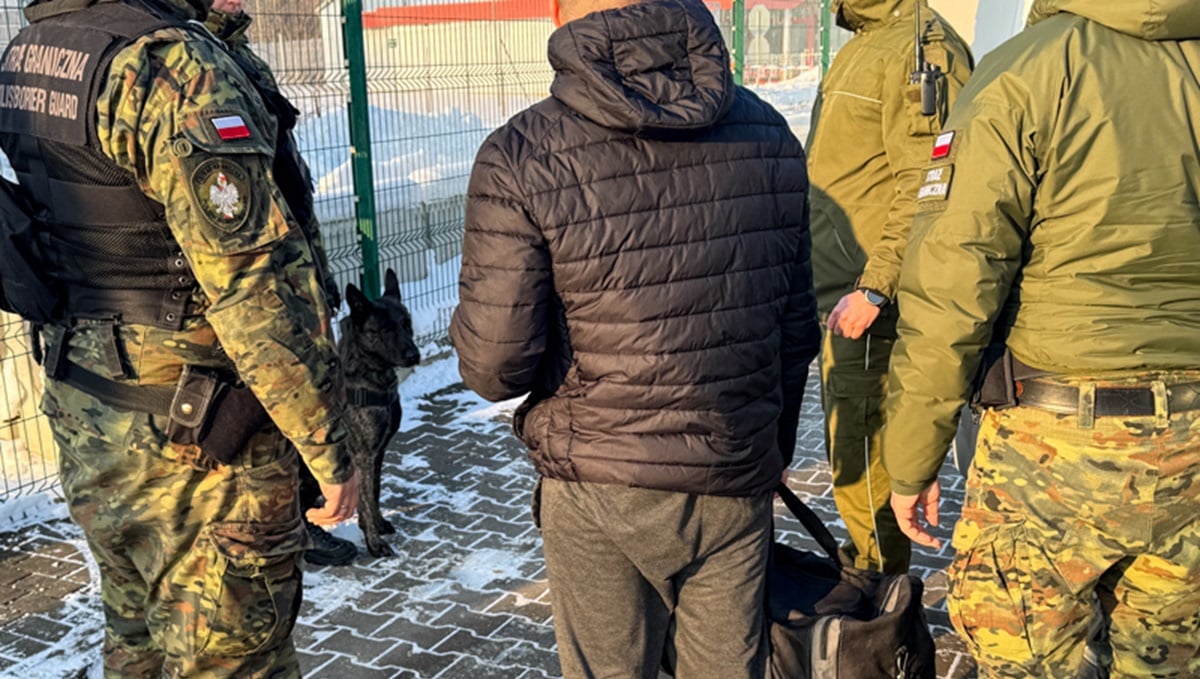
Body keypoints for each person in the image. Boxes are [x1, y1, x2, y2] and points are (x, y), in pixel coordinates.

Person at [449, 0, 819, 674]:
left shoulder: (521, 152)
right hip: (734, 469)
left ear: (564, 15)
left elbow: (495, 368)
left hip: (598, 478)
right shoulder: (770, 133)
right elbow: (795, 331)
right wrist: (772, 451)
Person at [0, 0, 360, 675]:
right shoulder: (169, 66)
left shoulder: (33, 50)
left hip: (92, 415)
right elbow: (252, 288)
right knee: (232, 661)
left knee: (136, 644)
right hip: (199, 445)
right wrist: (328, 448)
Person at [882, 1, 1200, 675]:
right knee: (1170, 663)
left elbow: (954, 281)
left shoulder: (1026, 72)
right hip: (1192, 444)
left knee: (1020, 659)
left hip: (1051, 449)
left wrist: (912, 459)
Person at [806, 0, 972, 574]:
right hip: (841, 291)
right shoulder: (869, 39)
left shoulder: (921, 48)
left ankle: (883, 600)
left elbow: (931, 179)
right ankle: (874, 581)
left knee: (866, 461)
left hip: (871, 302)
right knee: (851, 457)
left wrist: (876, 286)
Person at [205, 0, 358, 568]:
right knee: (273, 403)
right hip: (251, 285)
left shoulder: (237, 54)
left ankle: (306, 511)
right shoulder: (191, 63)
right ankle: (294, 520)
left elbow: (284, 178)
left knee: (305, 389)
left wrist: (317, 277)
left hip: (292, 261)